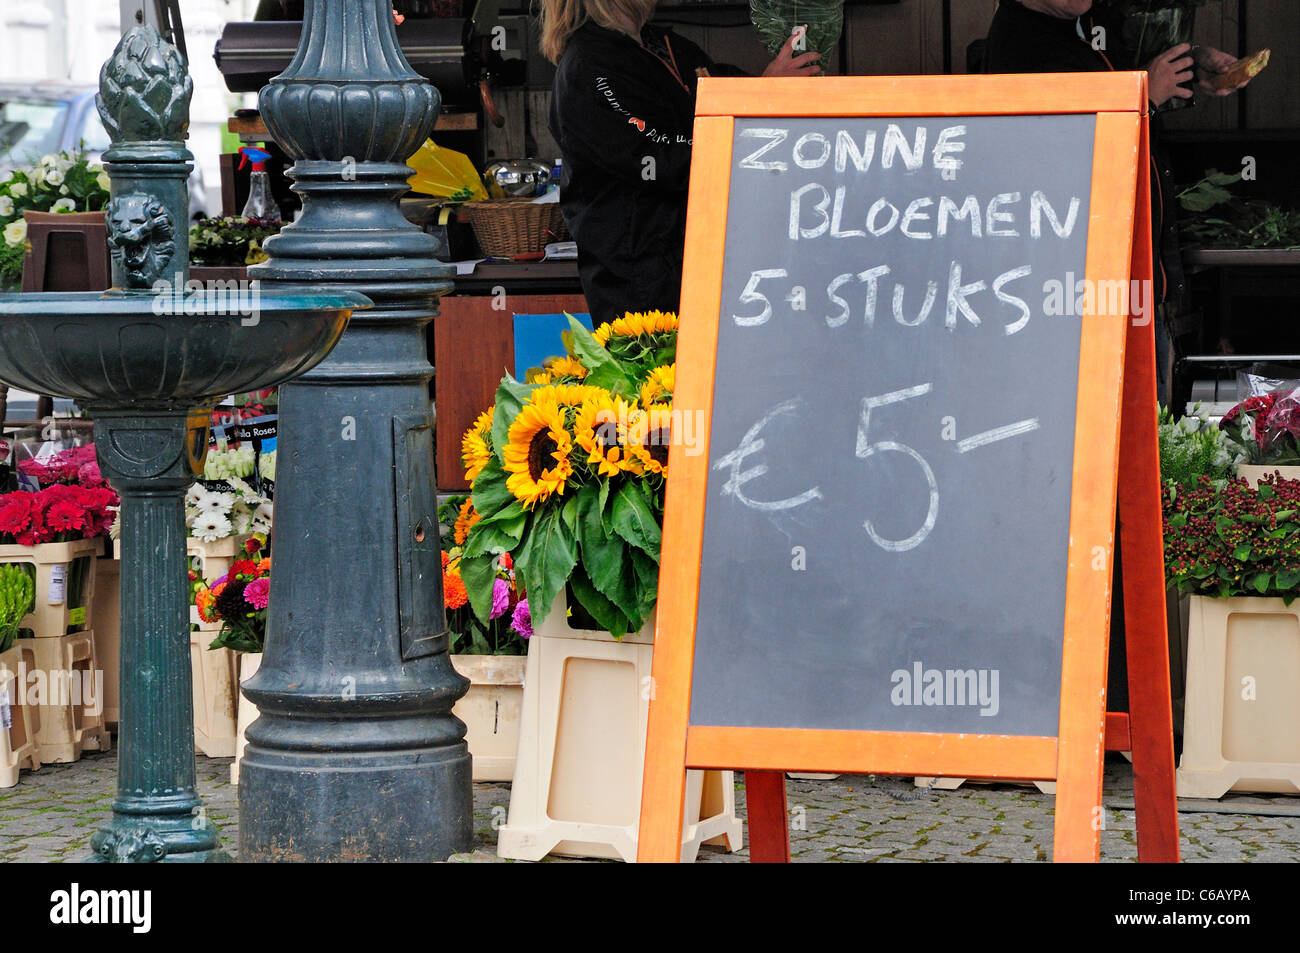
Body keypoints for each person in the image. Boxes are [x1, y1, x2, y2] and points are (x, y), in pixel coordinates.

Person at [983, 0, 1252, 406]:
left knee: (1156, 420)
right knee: (1118, 417)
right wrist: (1145, 99)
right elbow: (1067, 158)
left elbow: (1133, 56)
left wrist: (1192, 64)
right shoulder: (1020, 47)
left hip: (1135, 282)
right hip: (1081, 292)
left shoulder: (1085, 20)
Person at [543, 0, 821, 325]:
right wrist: (757, 117)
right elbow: (661, 159)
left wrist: (766, 90)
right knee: (662, 374)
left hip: (707, 270)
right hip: (644, 291)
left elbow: (720, 97)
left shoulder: (668, 46)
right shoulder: (588, 67)